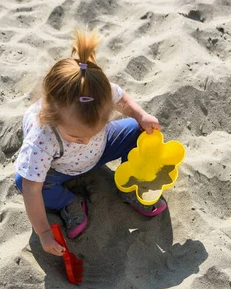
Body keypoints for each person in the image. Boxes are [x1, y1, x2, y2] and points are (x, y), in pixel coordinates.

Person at [14, 29, 166, 256]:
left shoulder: (97, 94)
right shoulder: (42, 138)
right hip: (59, 170)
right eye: (76, 137)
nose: (85, 141)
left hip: (101, 150)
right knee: (24, 182)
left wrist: (140, 115)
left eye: (93, 131)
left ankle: (130, 184)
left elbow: (121, 97)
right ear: (53, 118)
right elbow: (31, 189)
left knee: (138, 131)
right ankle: (67, 202)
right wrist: (44, 232)